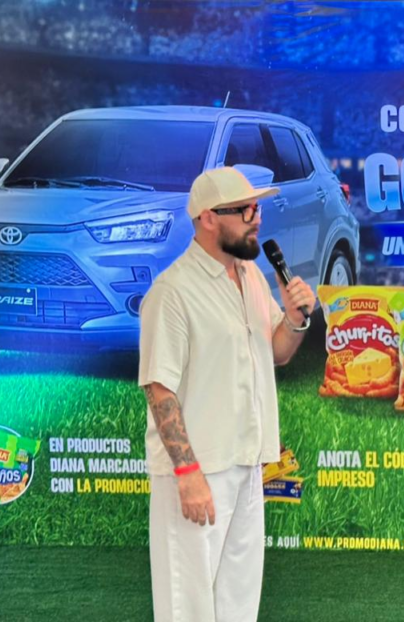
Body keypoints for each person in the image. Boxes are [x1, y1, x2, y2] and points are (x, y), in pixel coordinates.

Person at [138, 166, 315, 622]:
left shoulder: (250, 275)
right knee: (187, 606)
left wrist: (295, 319)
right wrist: (187, 473)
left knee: (238, 601)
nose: (257, 218)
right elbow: (159, 389)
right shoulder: (172, 292)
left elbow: (276, 353)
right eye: (245, 210)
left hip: (247, 462)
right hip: (199, 470)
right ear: (208, 218)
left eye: (257, 208)